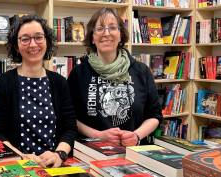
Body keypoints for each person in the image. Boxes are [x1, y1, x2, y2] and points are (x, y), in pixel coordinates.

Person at [0, 15, 77, 168]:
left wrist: (59, 154)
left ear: (47, 41)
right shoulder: (4, 83)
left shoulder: (59, 82)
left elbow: (70, 128)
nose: (33, 44)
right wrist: (20, 156)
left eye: (38, 37)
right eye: (25, 39)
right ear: (16, 45)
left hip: (54, 165)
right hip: (17, 163)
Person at [67, 8, 162, 147]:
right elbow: (70, 118)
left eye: (112, 28)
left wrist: (136, 135)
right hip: (92, 151)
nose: (106, 33)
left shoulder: (141, 71)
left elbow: (155, 115)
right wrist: (98, 135)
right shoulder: (78, 74)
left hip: (133, 151)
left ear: (120, 35)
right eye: (99, 28)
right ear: (92, 37)